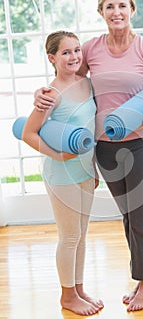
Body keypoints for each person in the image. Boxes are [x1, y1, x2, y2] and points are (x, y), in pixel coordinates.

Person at [33, 0, 143, 312]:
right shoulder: (90, 49)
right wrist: (42, 97)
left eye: (122, 5)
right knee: (127, 216)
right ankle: (138, 278)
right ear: (101, 13)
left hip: (142, 146)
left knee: (140, 215)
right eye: (109, 7)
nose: (116, 12)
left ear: (132, 9)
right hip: (104, 148)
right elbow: (72, 82)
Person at [22, 31, 104, 316]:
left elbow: (90, 132)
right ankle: (67, 296)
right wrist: (59, 155)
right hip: (61, 174)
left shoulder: (87, 84)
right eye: (66, 52)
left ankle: (78, 289)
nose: (74, 57)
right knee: (69, 236)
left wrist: (92, 168)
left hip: (84, 171)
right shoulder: (51, 94)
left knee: (81, 235)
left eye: (77, 51)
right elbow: (28, 133)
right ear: (52, 58)